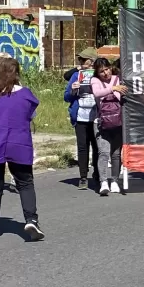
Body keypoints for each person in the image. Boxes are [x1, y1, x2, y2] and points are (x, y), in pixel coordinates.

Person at [0, 57, 44, 242]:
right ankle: (31, 220)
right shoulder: (26, 94)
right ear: (16, 73)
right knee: (25, 183)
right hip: (18, 142)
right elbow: (31, 114)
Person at [64, 48, 100, 190]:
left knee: (97, 147)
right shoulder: (75, 76)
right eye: (80, 60)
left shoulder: (99, 75)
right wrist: (73, 90)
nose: (81, 63)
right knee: (82, 147)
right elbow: (66, 97)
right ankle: (83, 177)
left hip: (97, 116)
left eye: (84, 60)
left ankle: (97, 173)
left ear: (92, 62)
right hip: (80, 116)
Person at [91, 58, 128, 196]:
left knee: (116, 154)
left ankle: (114, 181)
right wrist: (113, 88)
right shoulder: (95, 81)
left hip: (118, 122)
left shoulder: (118, 78)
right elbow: (97, 93)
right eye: (101, 71)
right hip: (101, 122)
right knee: (103, 152)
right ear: (97, 73)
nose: (105, 73)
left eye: (107, 69)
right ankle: (103, 182)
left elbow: (121, 97)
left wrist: (118, 88)